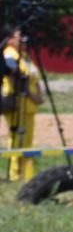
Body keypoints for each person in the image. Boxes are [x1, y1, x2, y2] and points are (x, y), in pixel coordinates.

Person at [2, 27, 43, 181]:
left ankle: (27, 175)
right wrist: (31, 94)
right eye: (19, 37)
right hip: (17, 104)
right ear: (10, 39)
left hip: (29, 106)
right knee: (17, 140)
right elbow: (14, 75)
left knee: (27, 142)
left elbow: (34, 77)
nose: (23, 40)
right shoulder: (9, 54)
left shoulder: (24, 55)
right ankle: (14, 175)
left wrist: (38, 95)